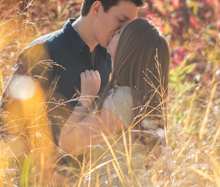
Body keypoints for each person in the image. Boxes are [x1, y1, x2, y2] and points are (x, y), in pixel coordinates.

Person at [0, 0, 144, 156]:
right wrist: (43, 171)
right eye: (121, 20)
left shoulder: (110, 60)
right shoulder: (43, 52)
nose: (123, 31)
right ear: (97, 8)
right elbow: (7, 125)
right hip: (43, 180)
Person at [58, 17, 170, 157]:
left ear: (129, 47)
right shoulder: (138, 98)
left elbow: (68, 145)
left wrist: (86, 98)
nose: (114, 31)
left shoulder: (122, 100)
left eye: (120, 32)